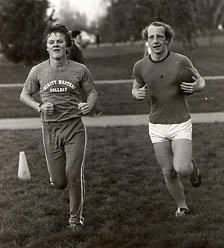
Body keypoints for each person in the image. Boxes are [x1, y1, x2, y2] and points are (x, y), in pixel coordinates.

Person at [20, 24, 98, 229]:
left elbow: (92, 92)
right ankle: (57, 180)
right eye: (51, 42)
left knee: (73, 174)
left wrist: (87, 105)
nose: (56, 45)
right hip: (50, 130)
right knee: (59, 181)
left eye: (60, 41)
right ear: (47, 47)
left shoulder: (79, 70)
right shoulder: (38, 71)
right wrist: (39, 106)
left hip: (74, 128)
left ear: (67, 46)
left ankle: (75, 218)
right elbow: (24, 95)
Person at [132, 21, 205, 217]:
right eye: (151, 37)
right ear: (147, 40)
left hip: (180, 122)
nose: (155, 40)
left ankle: (192, 168)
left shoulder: (180, 60)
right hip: (157, 125)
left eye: (159, 36)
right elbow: (135, 86)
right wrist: (136, 94)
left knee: (180, 167)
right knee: (168, 171)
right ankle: (182, 206)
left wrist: (196, 87)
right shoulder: (140, 66)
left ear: (167, 39)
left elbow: (201, 81)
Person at [70, 30, 102, 117]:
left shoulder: (77, 47)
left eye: (81, 37)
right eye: (79, 37)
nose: (81, 39)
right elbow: (72, 62)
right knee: (85, 93)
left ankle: (93, 110)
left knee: (86, 93)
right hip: (77, 75)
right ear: (74, 38)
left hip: (81, 74)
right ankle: (92, 111)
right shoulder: (73, 49)